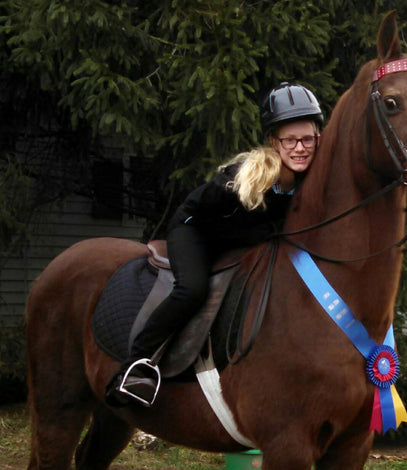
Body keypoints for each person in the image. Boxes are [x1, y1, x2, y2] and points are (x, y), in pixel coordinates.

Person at [105, 82, 324, 407]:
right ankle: (138, 365)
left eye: (307, 139)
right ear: (273, 142)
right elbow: (218, 216)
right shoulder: (251, 174)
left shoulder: (312, 178)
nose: (299, 148)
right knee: (191, 289)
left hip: (239, 244)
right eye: (289, 140)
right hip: (196, 233)